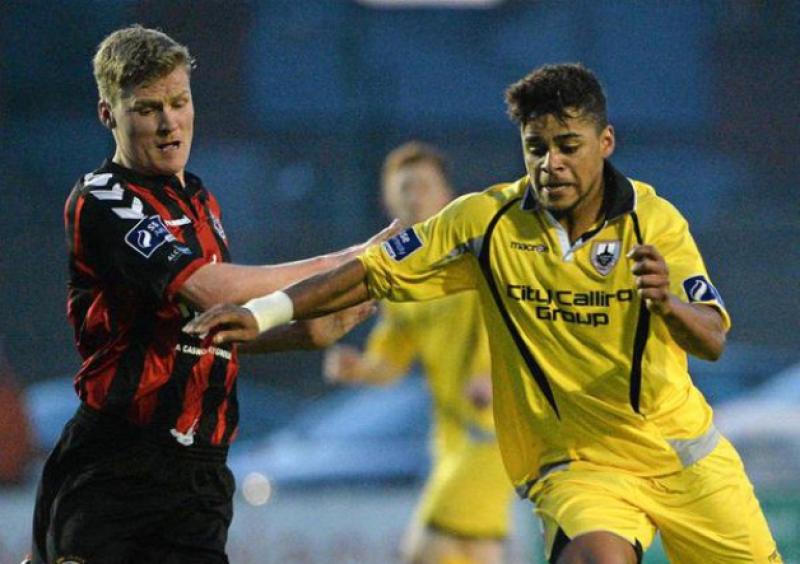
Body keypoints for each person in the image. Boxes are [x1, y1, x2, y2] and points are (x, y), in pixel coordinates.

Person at [186, 63, 783, 563]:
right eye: (536, 148)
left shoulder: (654, 222)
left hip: (682, 457)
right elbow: (370, 269)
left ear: (605, 143)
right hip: (580, 465)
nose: (550, 163)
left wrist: (668, 305)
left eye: (568, 146)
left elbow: (711, 338)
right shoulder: (484, 223)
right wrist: (265, 313)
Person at [29, 25, 395, 564]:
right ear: (108, 114)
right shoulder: (105, 197)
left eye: (179, 102)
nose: (169, 123)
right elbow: (208, 289)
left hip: (199, 477)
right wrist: (351, 259)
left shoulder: (200, 201)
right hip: (118, 466)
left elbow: (201, 331)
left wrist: (303, 330)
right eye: (147, 108)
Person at [323, 142, 514, 564]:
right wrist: (358, 369)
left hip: (493, 428)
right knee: (473, 551)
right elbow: (391, 364)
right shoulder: (401, 279)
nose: (415, 197)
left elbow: (511, 315)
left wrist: (491, 373)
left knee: (425, 548)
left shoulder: (475, 254)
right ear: (387, 201)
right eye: (404, 189)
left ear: (447, 196)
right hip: (450, 437)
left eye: (424, 187)